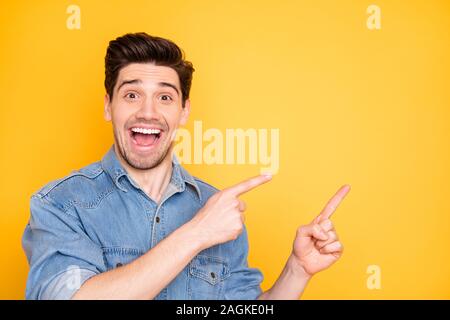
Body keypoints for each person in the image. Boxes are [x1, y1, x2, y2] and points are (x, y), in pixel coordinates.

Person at [22, 32, 350, 300]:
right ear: (109, 106)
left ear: (183, 112)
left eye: (165, 97)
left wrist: (297, 270)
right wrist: (198, 233)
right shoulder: (59, 205)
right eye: (132, 95)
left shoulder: (219, 210)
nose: (148, 112)